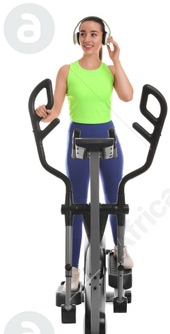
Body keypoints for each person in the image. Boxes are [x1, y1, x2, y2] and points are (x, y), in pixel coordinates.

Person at [34, 16, 136, 300]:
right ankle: (73, 271)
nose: (87, 39)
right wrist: (43, 112)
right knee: (76, 204)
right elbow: (54, 111)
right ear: (77, 38)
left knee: (116, 198)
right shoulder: (66, 70)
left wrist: (118, 60)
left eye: (94, 34)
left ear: (103, 38)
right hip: (77, 138)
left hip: (108, 136)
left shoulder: (110, 70)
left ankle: (119, 249)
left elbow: (127, 96)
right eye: (83, 34)